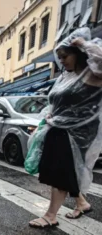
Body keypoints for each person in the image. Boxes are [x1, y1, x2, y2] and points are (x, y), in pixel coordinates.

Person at [29, 28, 102, 228]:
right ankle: (82, 202)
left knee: (60, 173)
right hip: (59, 128)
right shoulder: (66, 76)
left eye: (65, 56)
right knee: (66, 171)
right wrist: (50, 114)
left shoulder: (93, 73)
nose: (61, 61)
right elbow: (56, 101)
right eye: (59, 57)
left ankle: (51, 215)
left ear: (77, 53)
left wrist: (85, 44)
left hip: (77, 132)